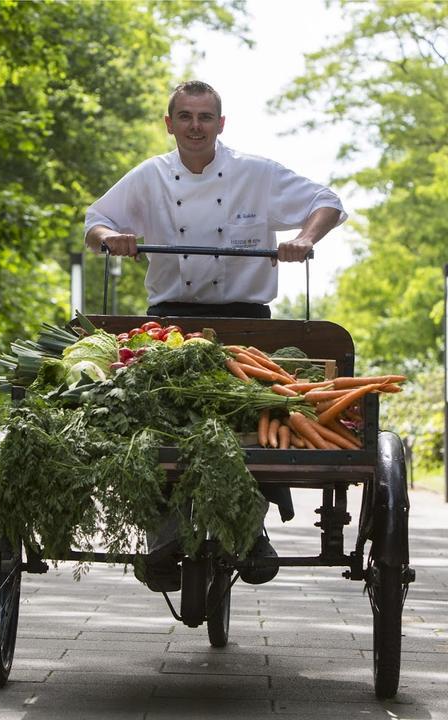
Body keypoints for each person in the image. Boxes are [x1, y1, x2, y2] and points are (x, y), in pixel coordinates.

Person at [85, 80, 347, 590]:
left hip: (247, 322)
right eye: (185, 117)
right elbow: (95, 221)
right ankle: (163, 534)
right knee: (158, 422)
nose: (196, 126)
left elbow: (327, 201)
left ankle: (251, 530)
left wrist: (303, 239)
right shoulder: (150, 177)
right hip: (168, 323)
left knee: (254, 422)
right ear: (170, 124)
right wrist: (111, 238)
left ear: (221, 124)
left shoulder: (256, 173)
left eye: (205, 117)